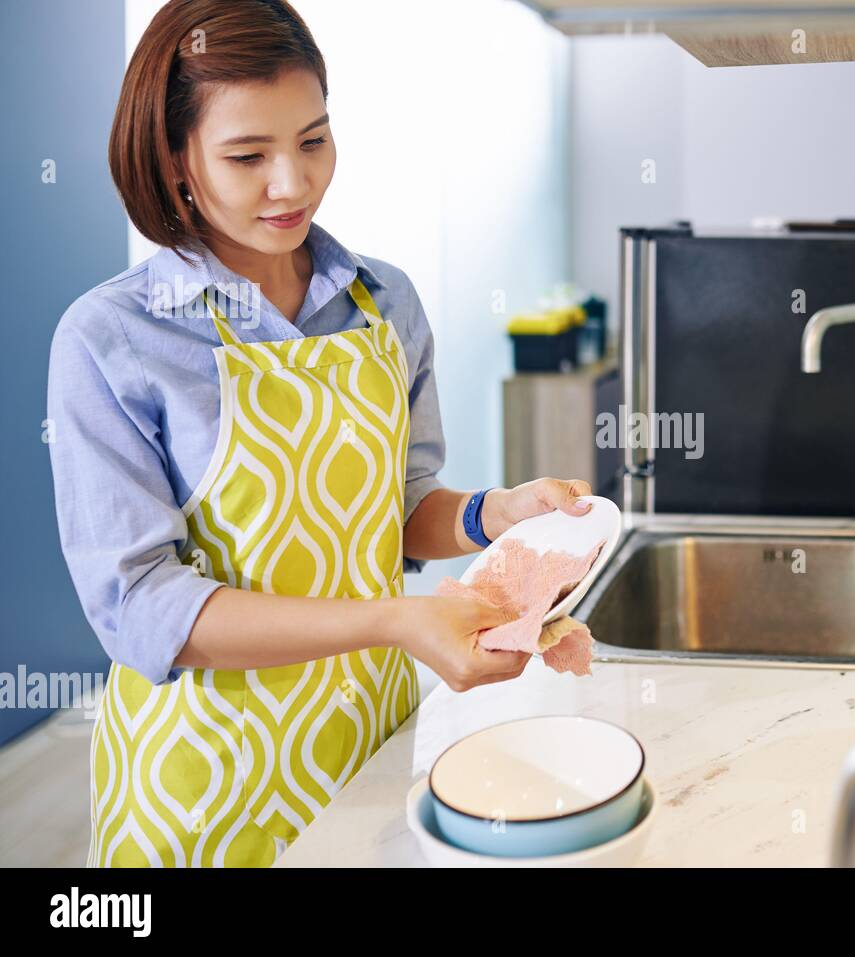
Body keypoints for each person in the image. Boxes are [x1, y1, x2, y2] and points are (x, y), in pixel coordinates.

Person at [47, 0, 591, 867]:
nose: (292, 184)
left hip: (374, 746)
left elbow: (402, 509)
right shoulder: (112, 339)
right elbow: (146, 610)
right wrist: (394, 620)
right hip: (209, 784)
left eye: (312, 140)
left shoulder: (385, 302)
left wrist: (495, 512)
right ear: (174, 159)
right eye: (247, 155)